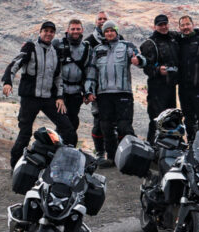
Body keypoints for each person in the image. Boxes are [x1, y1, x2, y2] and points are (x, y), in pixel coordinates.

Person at [2, 21, 77, 168]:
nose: (48, 34)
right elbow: (15, 64)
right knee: (25, 133)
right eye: (45, 31)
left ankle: (65, 165)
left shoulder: (55, 52)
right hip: (30, 98)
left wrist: (60, 97)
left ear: (54, 34)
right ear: (40, 32)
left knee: (68, 129)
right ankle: (15, 166)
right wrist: (7, 82)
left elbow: (58, 77)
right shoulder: (30, 47)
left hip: (48, 99)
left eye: (51, 31)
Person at [84, 21, 146, 167]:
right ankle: (112, 158)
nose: (109, 33)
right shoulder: (97, 50)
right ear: (103, 33)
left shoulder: (126, 46)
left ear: (116, 32)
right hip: (104, 95)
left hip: (123, 93)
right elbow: (92, 72)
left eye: (112, 30)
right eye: (106, 31)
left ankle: (131, 158)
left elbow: (141, 59)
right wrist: (89, 91)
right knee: (106, 128)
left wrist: (138, 60)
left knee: (125, 127)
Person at [82, 10, 119, 162]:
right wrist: (87, 90)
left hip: (116, 89)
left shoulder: (118, 39)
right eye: (100, 19)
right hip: (97, 88)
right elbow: (85, 67)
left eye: (105, 19)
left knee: (116, 123)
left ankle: (115, 154)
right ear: (95, 22)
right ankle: (99, 152)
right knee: (99, 121)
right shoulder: (89, 41)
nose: (102, 21)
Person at [140, 14, 180, 142]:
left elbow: (187, 32)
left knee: (172, 119)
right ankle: (152, 148)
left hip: (171, 87)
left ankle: (171, 148)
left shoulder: (173, 38)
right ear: (155, 26)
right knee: (156, 120)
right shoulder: (149, 44)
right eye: (160, 25)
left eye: (165, 24)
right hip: (156, 89)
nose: (163, 27)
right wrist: (157, 70)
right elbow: (145, 67)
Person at [53, 19, 91, 137]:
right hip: (61, 90)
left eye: (78, 29)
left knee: (73, 120)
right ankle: (58, 143)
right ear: (67, 30)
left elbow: (89, 71)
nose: (75, 31)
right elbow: (42, 47)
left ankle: (69, 144)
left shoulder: (87, 48)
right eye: (73, 29)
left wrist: (87, 91)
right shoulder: (57, 44)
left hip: (76, 92)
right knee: (62, 120)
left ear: (82, 30)